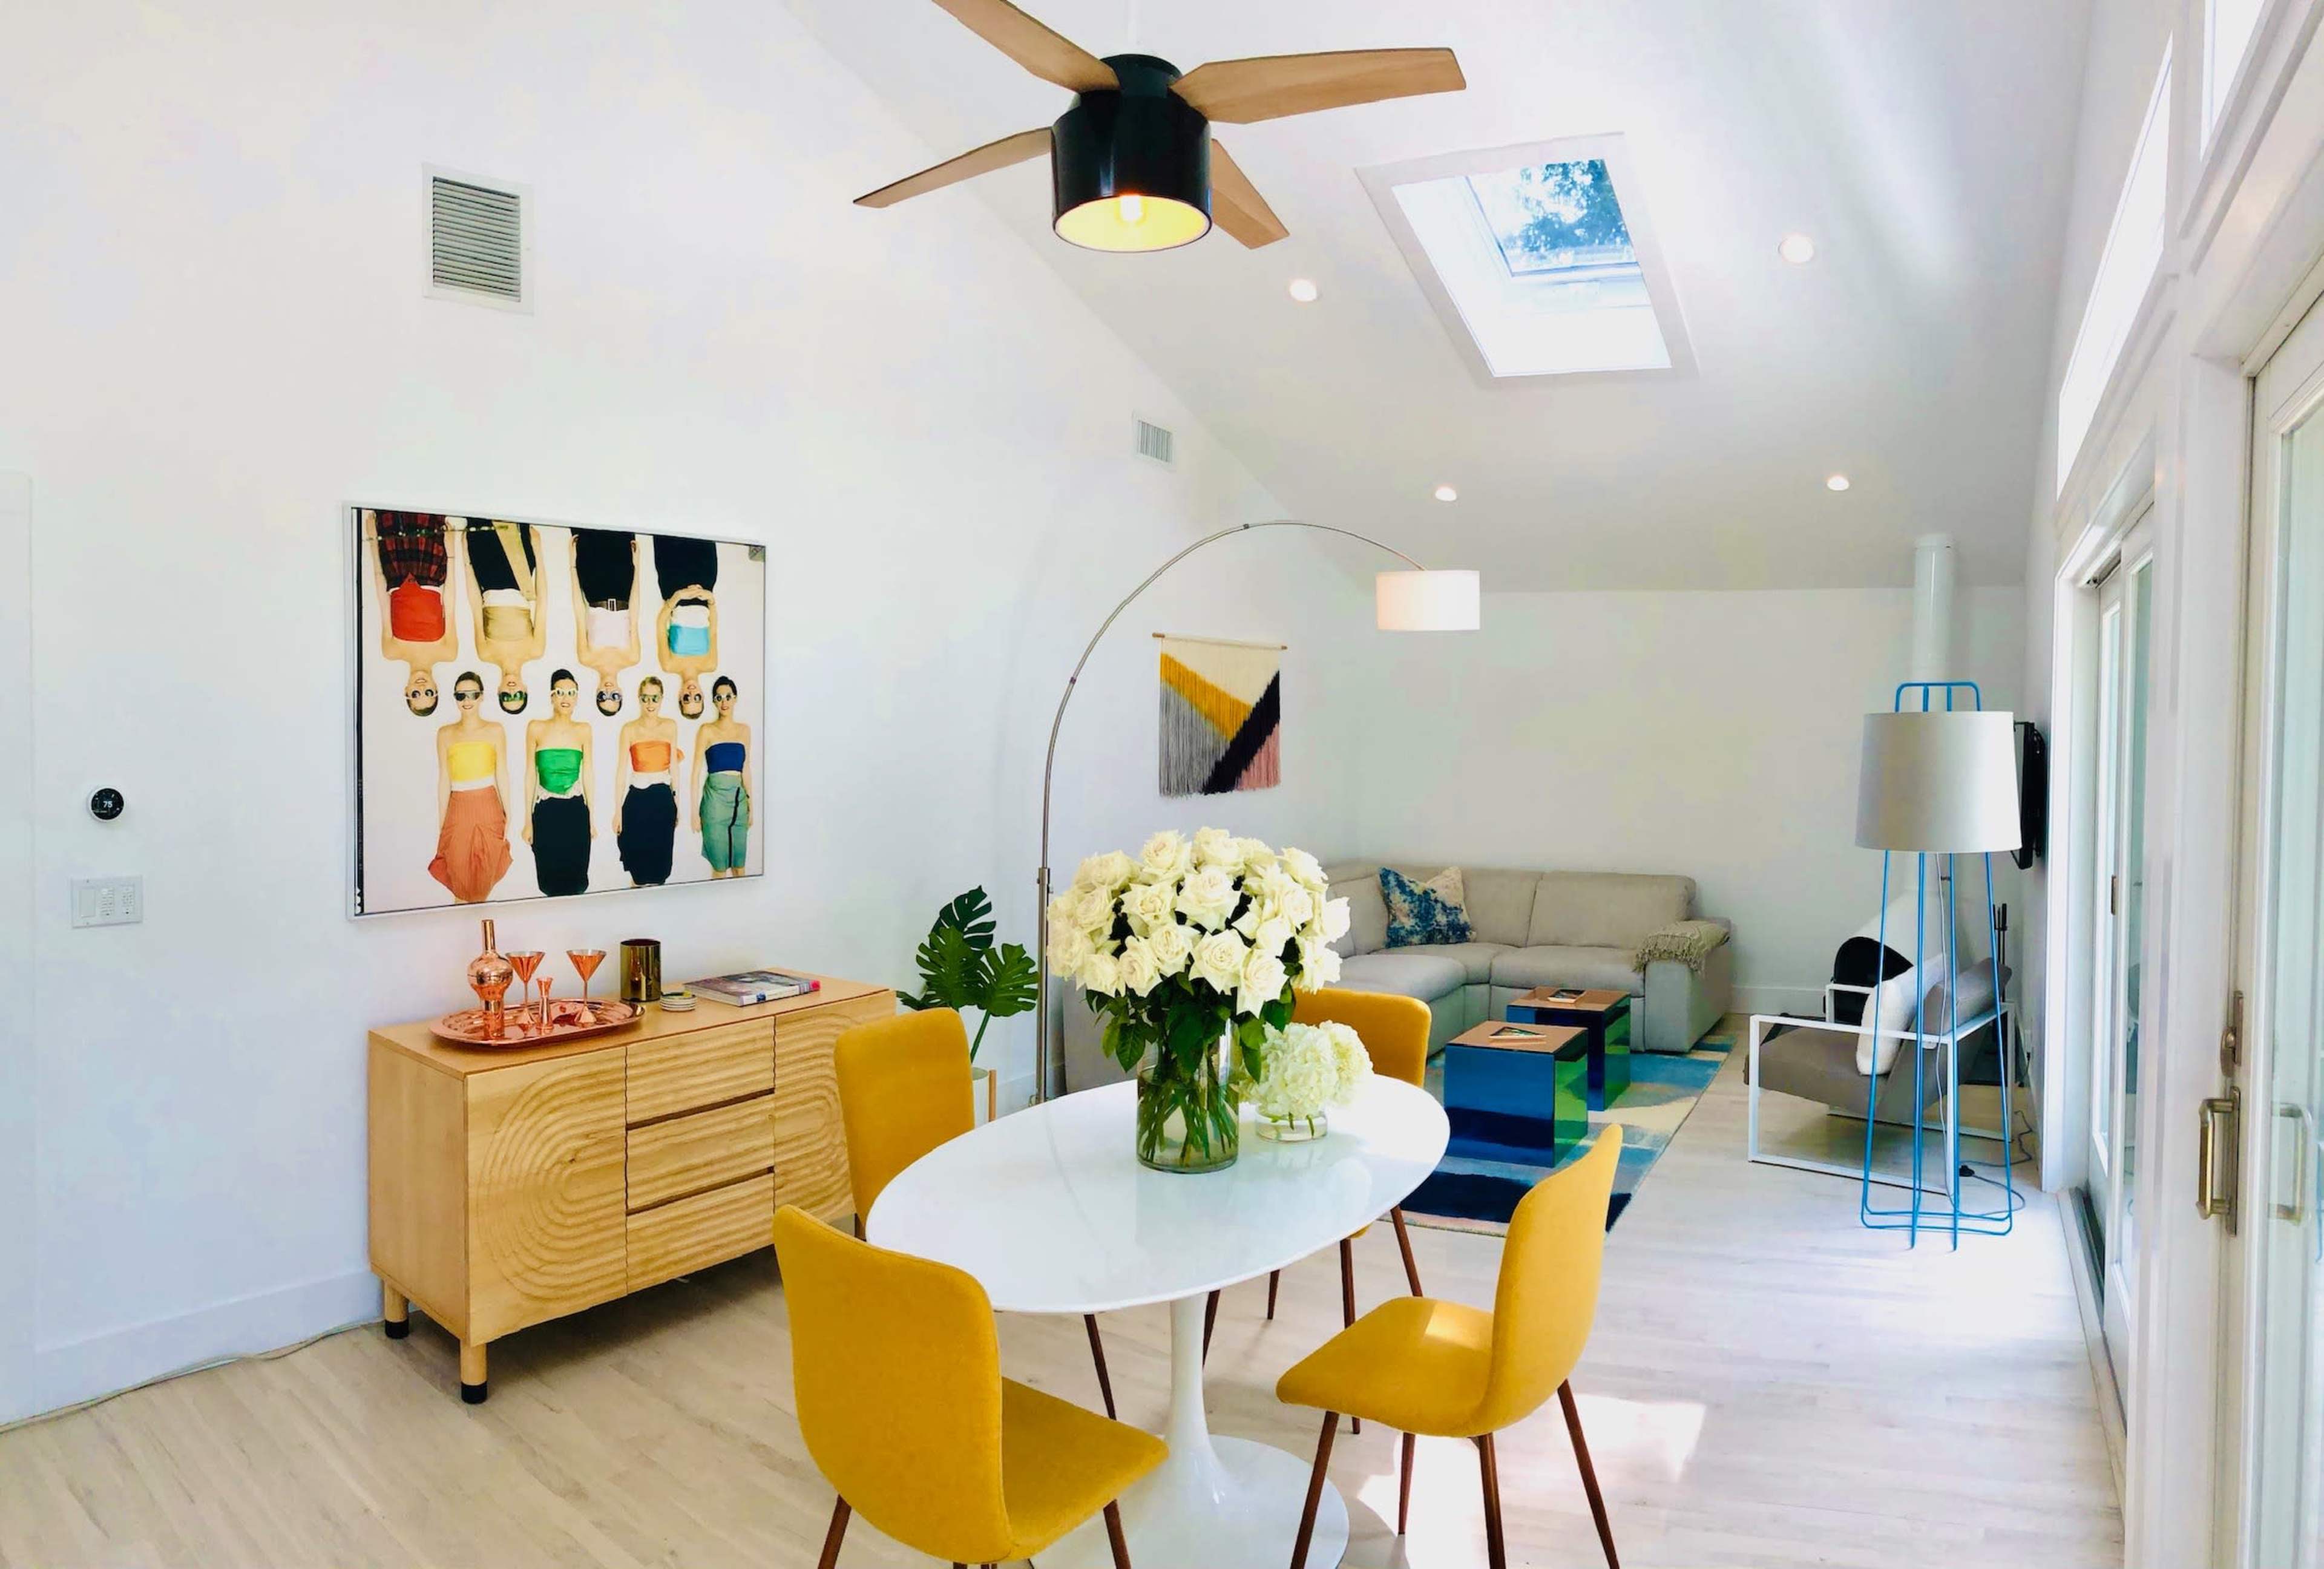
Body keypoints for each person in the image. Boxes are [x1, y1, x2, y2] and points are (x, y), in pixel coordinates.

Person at [425, 671, 513, 903]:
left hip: (489, 807)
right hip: (458, 808)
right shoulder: (445, 734)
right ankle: (459, 934)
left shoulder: (495, 730)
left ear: (481, 697)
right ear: (455, 698)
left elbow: (502, 773)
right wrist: (442, 822)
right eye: (461, 695)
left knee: (483, 881)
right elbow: (444, 778)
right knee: (460, 881)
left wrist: (509, 814)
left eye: (472, 694)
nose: (467, 701)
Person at [364, 510, 458, 715]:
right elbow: (450, 602)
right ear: (437, 689)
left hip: (395, 568)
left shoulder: (391, 652)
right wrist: (451, 552)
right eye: (430, 693)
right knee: (427, 511)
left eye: (415, 694)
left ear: (406, 690)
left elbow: (383, 601)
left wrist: (373, 542)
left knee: (390, 512)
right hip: (430, 570)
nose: (422, 688)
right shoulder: (448, 653)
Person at [461, 519, 547, 714]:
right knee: (515, 512)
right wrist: (538, 550)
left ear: (498, 691)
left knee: (479, 514)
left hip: (486, 573)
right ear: (525, 690)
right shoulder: (535, 651)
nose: (512, 690)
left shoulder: (485, 654)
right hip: (521, 573)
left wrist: (466, 558)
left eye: (506, 696)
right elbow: (543, 604)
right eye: (518, 695)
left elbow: (475, 606)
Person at [523, 668, 596, 896]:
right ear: (552, 697)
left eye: (571, 693)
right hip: (546, 812)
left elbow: (589, 774)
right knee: (549, 880)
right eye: (560, 692)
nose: (566, 698)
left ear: (577, 698)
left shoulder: (584, 730)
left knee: (576, 880)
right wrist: (528, 821)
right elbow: (530, 774)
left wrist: (591, 818)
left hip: (575, 811)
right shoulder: (536, 728)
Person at [612, 675, 684, 886]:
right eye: (645, 698)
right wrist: (617, 812)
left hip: (662, 800)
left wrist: (678, 806)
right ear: (639, 698)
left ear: (662, 699)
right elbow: (620, 772)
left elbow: (674, 768)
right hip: (637, 801)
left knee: (660, 868)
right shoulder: (629, 729)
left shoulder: (670, 726)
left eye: (655, 698)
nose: (650, 704)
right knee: (638, 870)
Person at [568, 527, 642, 716]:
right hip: (623, 585)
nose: (608, 691)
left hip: (594, 586)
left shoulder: (586, 659)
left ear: (596, 693)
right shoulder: (632, 658)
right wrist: (637, 567)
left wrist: (573, 565)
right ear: (622, 693)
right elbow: (634, 614)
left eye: (603, 697)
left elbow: (579, 613)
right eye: (614, 697)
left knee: (587, 525)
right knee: (620, 524)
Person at [652, 532, 720, 718]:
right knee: (702, 529)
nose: (692, 693)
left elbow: (660, 627)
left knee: (667, 531)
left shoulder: (669, 665)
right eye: (697, 698)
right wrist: (711, 601)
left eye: (687, 699)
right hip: (703, 586)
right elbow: (713, 631)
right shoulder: (710, 664)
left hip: (674, 586)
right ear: (704, 696)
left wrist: (677, 598)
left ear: (680, 697)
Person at [691, 674, 752, 878]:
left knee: (740, 866)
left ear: (735, 698)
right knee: (719, 868)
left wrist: (751, 807)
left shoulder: (744, 731)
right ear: (714, 702)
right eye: (719, 698)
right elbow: (695, 773)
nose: (724, 702)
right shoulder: (706, 731)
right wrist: (694, 813)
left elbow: (747, 769)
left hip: (739, 803)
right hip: (714, 804)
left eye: (728, 696)